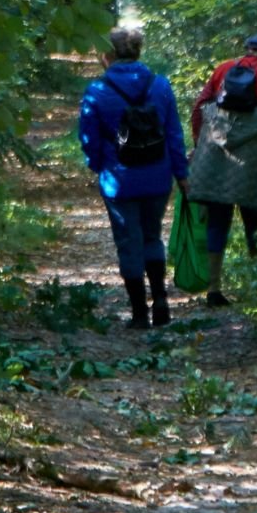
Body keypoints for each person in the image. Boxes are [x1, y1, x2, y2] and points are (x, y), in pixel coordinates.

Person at [79, 27, 190, 329]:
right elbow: (174, 135)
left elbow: (88, 138)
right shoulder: (161, 86)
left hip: (119, 180)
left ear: (108, 55)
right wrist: (181, 174)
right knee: (152, 236)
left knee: (129, 242)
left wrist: (98, 164)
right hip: (157, 176)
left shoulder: (97, 91)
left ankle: (140, 312)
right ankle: (162, 302)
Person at [188, 32, 257, 307]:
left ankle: (214, 288)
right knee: (255, 219)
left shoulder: (224, 69)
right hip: (255, 159)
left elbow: (199, 106)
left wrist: (199, 144)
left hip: (216, 153)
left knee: (217, 219)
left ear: (247, 51)